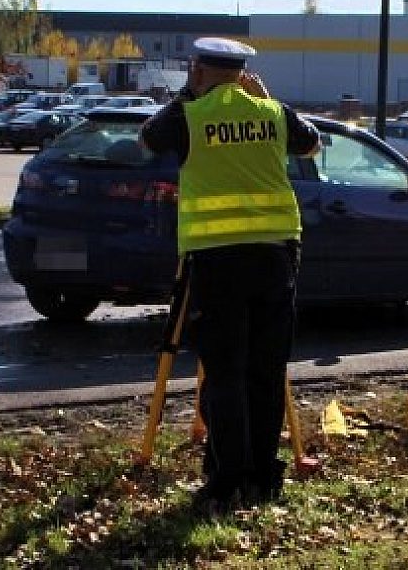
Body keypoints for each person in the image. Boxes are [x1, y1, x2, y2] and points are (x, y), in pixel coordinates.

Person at [140, 37, 321, 514]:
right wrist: (265, 99)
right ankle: (263, 476)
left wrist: (187, 94)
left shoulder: (190, 115)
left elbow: (148, 138)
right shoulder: (272, 112)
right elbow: (312, 144)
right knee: (266, 371)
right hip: (276, 256)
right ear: (242, 73)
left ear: (198, 70)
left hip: (216, 260)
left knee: (224, 373)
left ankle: (226, 481)